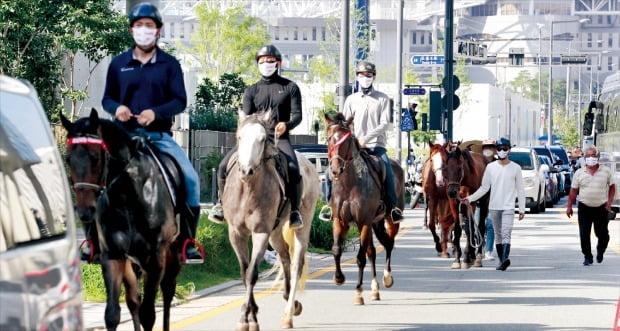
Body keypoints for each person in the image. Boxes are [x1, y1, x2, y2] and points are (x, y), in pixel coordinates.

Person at [101, 2, 203, 264]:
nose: (143, 30)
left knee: (191, 179)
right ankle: (93, 241)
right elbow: (107, 99)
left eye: (149, 26)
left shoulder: (170, 65)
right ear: (131, 29)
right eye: (139, 25)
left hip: (158, 138)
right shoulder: (118, 64)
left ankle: (188, 242)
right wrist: (118, 107)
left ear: (158, 31)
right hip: (123, 138)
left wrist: (155, 113)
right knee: (96, 179)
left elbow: (179, 101)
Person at [208, 44, 304, 229]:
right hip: (253, 140)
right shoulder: (251, 90)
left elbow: (298, 115)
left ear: (278, 63)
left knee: (293, 168)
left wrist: (287, 125)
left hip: (278, 139)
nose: (266, 64)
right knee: (222, 166)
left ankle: (294, 211)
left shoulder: (290, 87)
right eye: (262, 61)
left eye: (270, 61)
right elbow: (246, 117)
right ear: (257, 64)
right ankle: (220, 205)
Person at [319, 61, 404, 223]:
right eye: (362, 75)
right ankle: (329, 206)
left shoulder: (383, 99)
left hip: (375, 146)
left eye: (368, 75)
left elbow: (385, 123)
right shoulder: (351, 100)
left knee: (388, 169)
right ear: (357, 77)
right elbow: (344, 124)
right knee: (328, 172)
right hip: (353, 148)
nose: (365, 78)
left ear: (373, 77)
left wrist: (367, 139)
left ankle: (393, 208)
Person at [463, 138, 525, 271]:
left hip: (508, 206)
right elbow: (484, 188)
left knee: (506, 232)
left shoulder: (516, 168)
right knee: (498, 234)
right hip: (494, 206)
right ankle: (502, 260)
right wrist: (470, 198)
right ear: (497, 150)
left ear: (509, 150)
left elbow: (520, 189)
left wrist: (521, 209)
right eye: (500, 149)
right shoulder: (490, 168)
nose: (502, 151)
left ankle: (505, 258)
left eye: (505, 149)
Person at [565, 146, 615, 266]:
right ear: (584, 158)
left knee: (602, 234)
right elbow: (573, 190)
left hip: (601, 207)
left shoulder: (606, 171)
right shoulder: (579, 173)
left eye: (593, 156)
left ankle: (600, 250)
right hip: (584, 207)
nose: (591, 158)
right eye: (588, 156)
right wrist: (569, 206)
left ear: (598, 157)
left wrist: (609, 202)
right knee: (584, 233)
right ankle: (587, 256)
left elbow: (612, 187)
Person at [480, 139, 497, 261]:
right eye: (486, 147)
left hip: (494, 200)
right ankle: (478, 248)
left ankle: (489, 250)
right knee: (477, 226)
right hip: (479, 201)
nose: (488, 149)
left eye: (491, 147)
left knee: (490, 225)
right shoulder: (477, 163)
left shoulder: (499, 164)